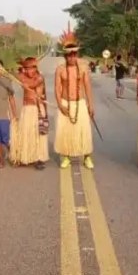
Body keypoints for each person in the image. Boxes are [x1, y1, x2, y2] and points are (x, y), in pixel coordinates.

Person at [55, 25, 95, 169]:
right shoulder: (60, 70)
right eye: (70, 54)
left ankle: (87, 157)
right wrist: (60, 105)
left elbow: (88, 87)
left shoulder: (83, 68)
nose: (72, 57)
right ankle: (65, 157)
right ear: (66, 56)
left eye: (74, 54)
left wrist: (91, 105)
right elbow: (57, 89)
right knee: (65, 131)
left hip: (81, 103)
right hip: (66, 103)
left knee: (84, 130)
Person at [10, 57, 49, 170]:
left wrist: (22, 79)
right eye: (26, 69)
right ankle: (26, 157)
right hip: (27, 108)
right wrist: (18, 74)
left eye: (31, 68)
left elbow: (32, 84)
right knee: (26, 133)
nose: (29, 71)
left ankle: (39, 158)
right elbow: (15, 76)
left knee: (37, 134)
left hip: (36, 108)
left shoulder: (39, 78)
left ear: (35, 68)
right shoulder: (23, 77)